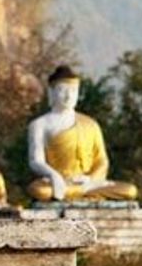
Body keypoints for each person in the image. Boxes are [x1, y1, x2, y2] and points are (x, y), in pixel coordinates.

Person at [25, 65, 136, 202]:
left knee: (130, 190)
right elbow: (36, 161)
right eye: (62, 90)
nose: (68, 96)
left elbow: (102, 161)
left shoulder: (91, 124)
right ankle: (83, 194)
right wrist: (54, 176)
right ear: (51, 92)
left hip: (88, 182)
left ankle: (78, 192)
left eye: (73, 90)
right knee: (39, 191)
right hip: (57, 181)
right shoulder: (40, 124)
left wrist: (90, 179)